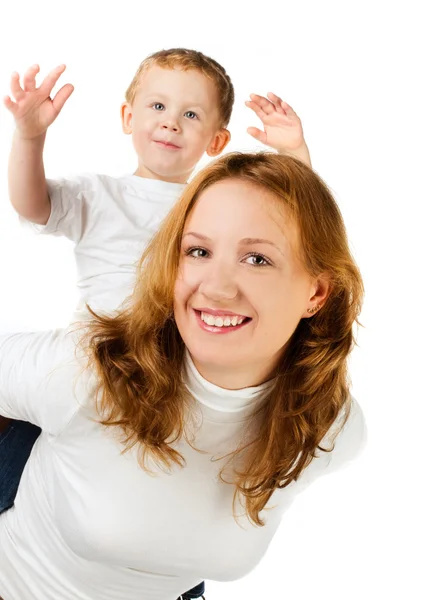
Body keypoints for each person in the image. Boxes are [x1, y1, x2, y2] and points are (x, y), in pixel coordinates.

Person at [0, 151, 366, 600]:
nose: (215, 287)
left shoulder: (330, 427)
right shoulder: (89, 374)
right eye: (198, 251)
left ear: (317, 292)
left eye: (257, 260)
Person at [0, 45, 311, 562]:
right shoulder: (99, 194)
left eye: (191, 115)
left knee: (180, 484)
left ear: (216, 141)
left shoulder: (211, 205)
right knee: (35, 441)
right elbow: (32, 204)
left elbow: (289, 222)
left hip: (177, 365)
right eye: (158, 107)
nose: (171, 123)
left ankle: (179, 581)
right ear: (128, 117)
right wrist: (30, 137)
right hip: (94, 360)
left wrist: (295, 157)